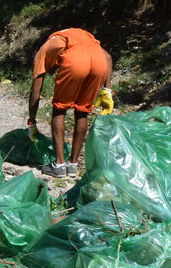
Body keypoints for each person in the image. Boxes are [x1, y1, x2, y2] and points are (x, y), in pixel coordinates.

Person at [27, 28, 113, 178]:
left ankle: (59, 165)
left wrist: (32, 122)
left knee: (59, 109)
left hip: (75, 60)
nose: (53, 72)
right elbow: (107, 56)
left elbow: (36, 92)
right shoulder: (77, 35)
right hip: (99, 61)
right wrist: (108, 90)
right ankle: (72, 164)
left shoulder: (43, 51)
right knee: (83, 111)